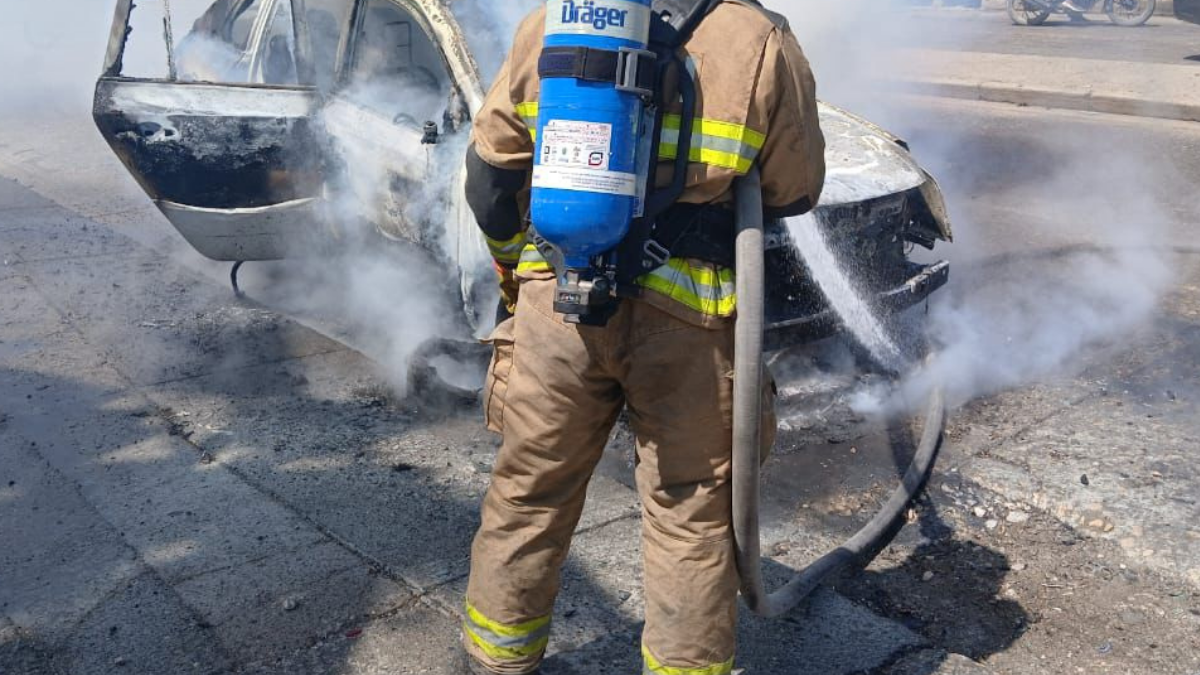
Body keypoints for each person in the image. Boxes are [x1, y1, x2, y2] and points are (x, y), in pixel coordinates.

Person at [459, 1, 826, 673]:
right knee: (690, 514)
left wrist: (519, 271)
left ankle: (495, 658)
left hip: (558, 302)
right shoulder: (757, 37)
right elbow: (794, 190)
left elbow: (489, 177)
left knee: (529, 490)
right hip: (688, 323)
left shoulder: (554, 21)